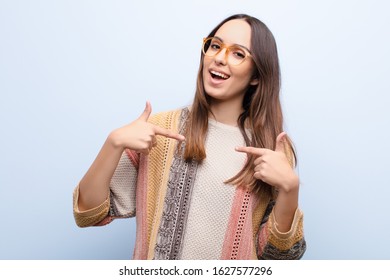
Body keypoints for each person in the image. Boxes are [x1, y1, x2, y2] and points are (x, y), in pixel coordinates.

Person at [73, 14, 306, 260]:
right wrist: (114, 143)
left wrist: (290, 188)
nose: (219, 58)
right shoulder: (161, 129)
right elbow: (88, 213)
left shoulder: (273, 148)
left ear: (257, 75)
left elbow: (280, 257)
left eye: (238, 53)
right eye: (215, 46)